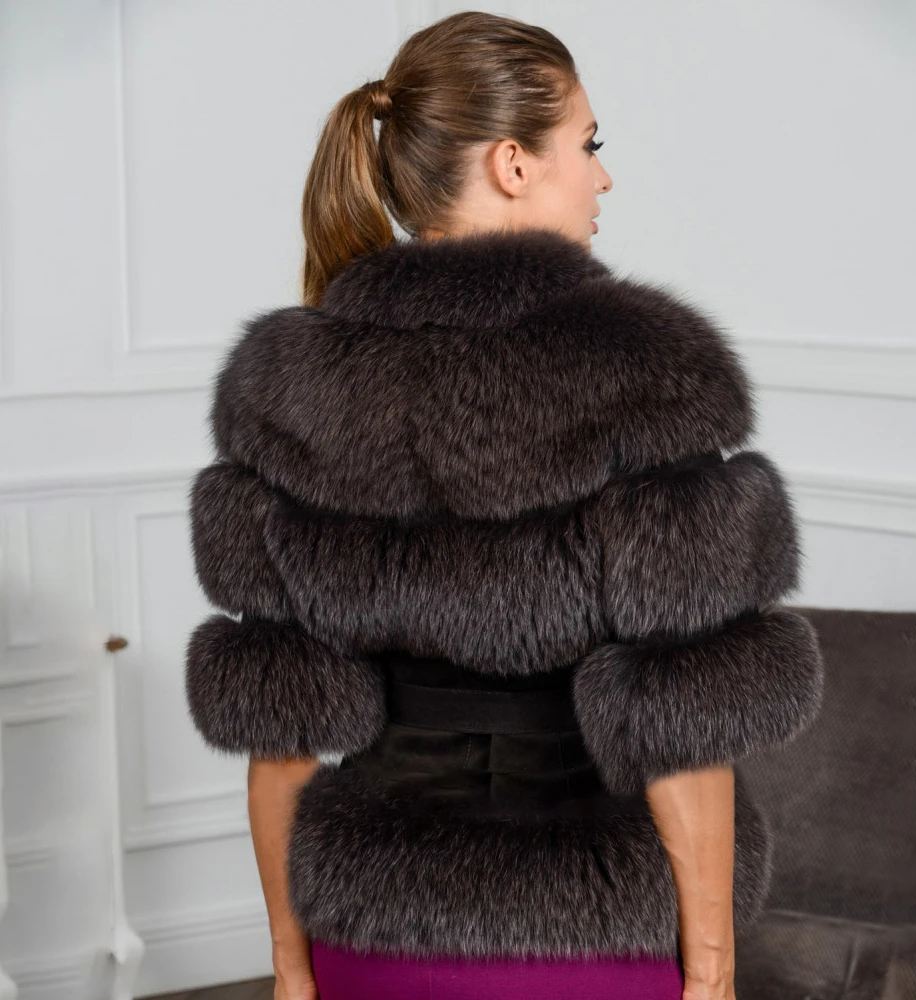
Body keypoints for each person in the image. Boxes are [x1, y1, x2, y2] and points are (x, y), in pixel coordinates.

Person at [184, 10, 824, 1000]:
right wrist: (711, 979)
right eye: (589, 144)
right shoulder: (641, 368)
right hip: (583, 936)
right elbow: (681, 731)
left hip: (371, 935)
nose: (603, 178)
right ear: (513, 163)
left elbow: (282, 736)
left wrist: (292, 970)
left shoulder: (287, 384)